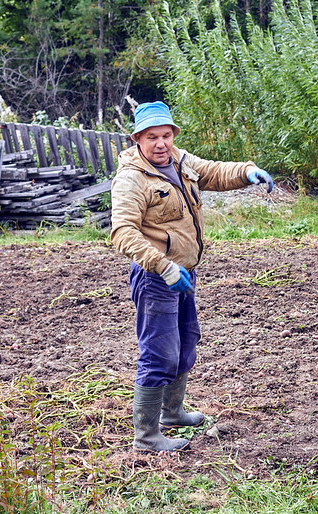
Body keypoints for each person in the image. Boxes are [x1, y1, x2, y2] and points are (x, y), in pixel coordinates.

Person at [110, 101, 273, 452]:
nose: (160, 143)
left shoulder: (180, 161)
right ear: (137, 138)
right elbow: (122, 232)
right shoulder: (131, 179)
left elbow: (213, 172)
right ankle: (147, 437)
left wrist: (247, 172)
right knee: (158, 354)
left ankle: (172, 412)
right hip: (156, 277)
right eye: (152, 136)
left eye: (166, 135)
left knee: (186, 343)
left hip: (185, 274)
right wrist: (164, 267)